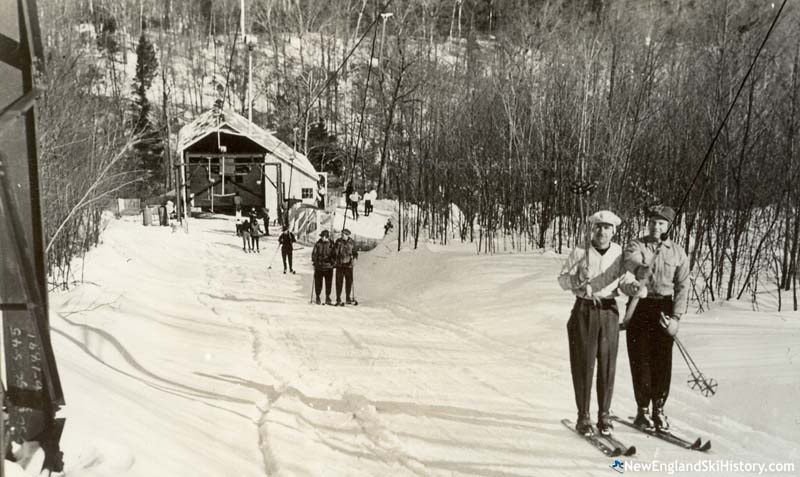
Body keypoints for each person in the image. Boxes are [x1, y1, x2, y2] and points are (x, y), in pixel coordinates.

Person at [620, 205, 690, 433]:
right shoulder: (637, 245)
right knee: (640, 359)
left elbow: (682, 286)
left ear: (668, 226)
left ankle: (659, 409)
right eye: (652, 221)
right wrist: (641, 268)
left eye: (661, 223)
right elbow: (630, 261)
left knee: (662, 360)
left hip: (664, 307)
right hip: (640, 305)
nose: (655, 226)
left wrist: (676, 318)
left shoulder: (677, 252)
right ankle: (642, 410)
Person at [557, 210, 626, 436]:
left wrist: (633, 286)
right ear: (592, 229)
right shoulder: (580, 251)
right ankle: (583, 416)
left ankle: (604, 416)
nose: (602, 232)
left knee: (607, 365)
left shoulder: (619, 253)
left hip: (609, 310)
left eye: (607, 227)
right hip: (585, 309)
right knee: (584, 364)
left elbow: (625, 279)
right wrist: (577, 278)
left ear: (613, 231)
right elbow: (562, 279)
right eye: (598, 227)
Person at [334, 228, 359, 306]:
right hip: (340, 265)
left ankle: (348, 297)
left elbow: (355, 253)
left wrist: (354, 259)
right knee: (339, 282)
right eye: (341, 234)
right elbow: (334, 252)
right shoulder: (338, 242)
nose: (342, 235)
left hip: (348, 265)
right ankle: (338, 298)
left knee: (349, 282)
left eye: (343, 234)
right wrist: (335, 259)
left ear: (347, 235)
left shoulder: (352, 242)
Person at [311, 230, 335, 305]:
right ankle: (318, 296)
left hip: (328, 267)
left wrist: (332, 262)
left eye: (323, 236)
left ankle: (328, 297)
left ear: (326, 236)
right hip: (319, 267)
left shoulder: (332, 244)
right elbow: (314, 254)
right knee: (318, 283)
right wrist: (315, 261)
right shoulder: (318, 244)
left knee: (328, 284)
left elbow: (335, 254)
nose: (321, 237)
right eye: (321, 236)